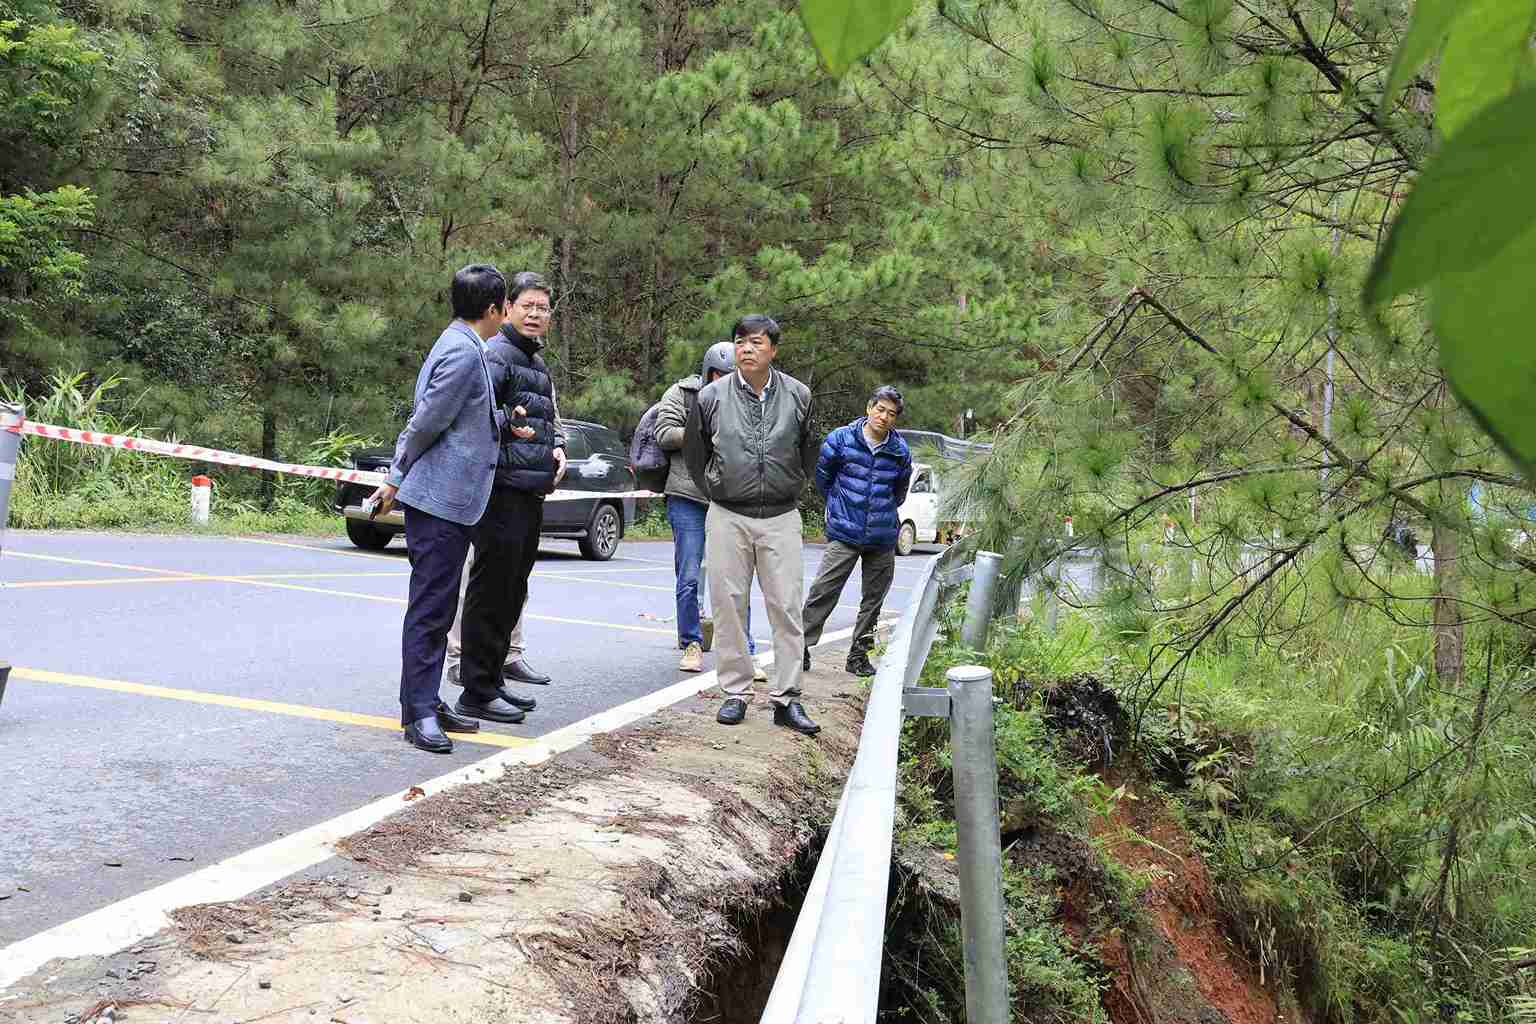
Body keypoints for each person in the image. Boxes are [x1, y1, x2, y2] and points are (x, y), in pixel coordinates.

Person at [367, 264, 508, 754]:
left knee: (440, 606)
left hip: (452, 501)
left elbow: (455, 415)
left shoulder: (462, 344)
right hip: (439, 501)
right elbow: (426, 421)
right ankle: (419, 713)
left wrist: (503, 419)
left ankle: (423, 697)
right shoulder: (463, 352)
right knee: (430, 610)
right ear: (493, 310)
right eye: (505, 306)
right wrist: (394, 477)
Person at [685, 314, 821, 736]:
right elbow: (695, 451)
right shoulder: (711, 396)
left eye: (756, 342)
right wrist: (715, 487)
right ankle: (736, 692)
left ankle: (786, 698)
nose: (746, 349)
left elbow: (809, 450)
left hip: (781, 515)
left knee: (785, 606)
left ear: (773, 350)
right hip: (728, 514)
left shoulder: (798, 395)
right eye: (740, 341)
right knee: (728, 604)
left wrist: (793, 484)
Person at [455, 271, 567, 723]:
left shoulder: (534, 363)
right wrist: (508, 428)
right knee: (491, 589)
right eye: (527, 306)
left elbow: (541, 422)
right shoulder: (498, 355)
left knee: (512, 590)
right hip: (500, 492)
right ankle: (475, 689)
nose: (536, 314)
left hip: (529, 492)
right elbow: (481, 419)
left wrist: (555, 449)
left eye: (543, 308)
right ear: (506, 309)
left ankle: (494, 678)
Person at [655, 341, 761, 678]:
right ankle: (691, 644)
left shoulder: (749, 399)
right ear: (707, 372)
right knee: (689, 575)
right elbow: (662, 433)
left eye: (731, 376)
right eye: (718, 374)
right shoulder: (683, 393)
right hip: (687, 495)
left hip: (730, 498)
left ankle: (745, 651)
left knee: (736, 578)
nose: (724, 381)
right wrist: (700, 432)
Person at [801, 385, 912, 677]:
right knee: (823, 591)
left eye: (891, 414)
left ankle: (858, 656)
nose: (884, 417)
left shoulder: (900, 451)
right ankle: (799, 647)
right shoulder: (840, 439)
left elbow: (898, 493)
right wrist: (840, 507)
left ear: (895, 419)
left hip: (882, 535)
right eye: (880, 409)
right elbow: (823, 479)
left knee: (874, 600)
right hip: (844, 531)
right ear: (869, 408)